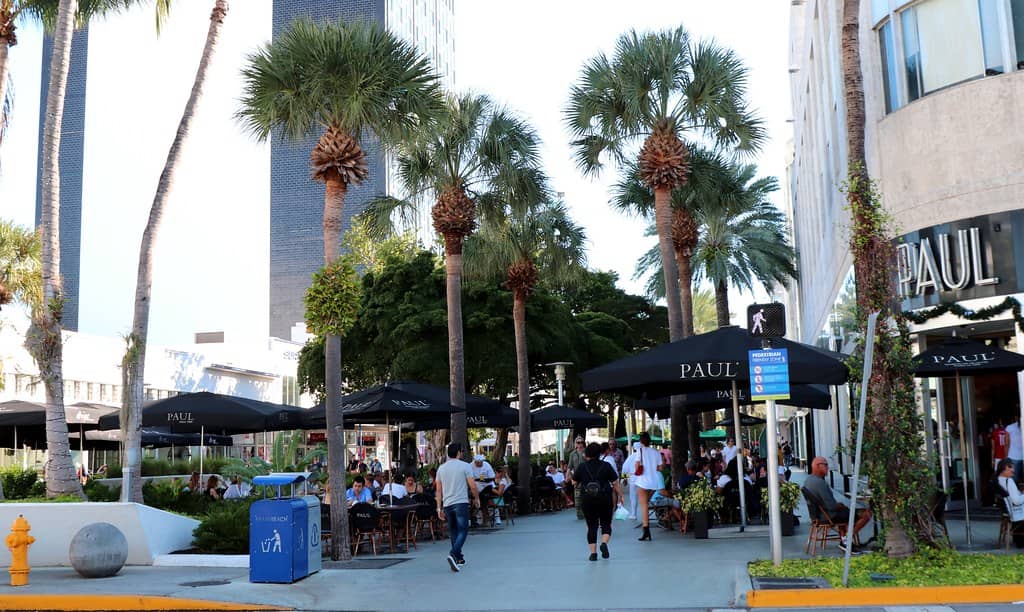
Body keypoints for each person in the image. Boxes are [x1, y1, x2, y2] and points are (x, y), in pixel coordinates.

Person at [805, 457, 872, 552]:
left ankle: (844, 540)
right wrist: (841, 505)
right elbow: (832, 506)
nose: (828, 468)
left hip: (818, 515)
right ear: (818, 466)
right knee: (866, 514)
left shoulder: (809, 481)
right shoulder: (820, 483)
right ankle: (847, 540)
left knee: (845, 513)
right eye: (826, 465)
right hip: (828, 516)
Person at [572, 442, 622, 561]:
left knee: (591, 526)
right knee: (606, 523)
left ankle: (593, 554)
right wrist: (621, 496)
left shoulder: (582, 467)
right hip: (605, 498)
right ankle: (604, 543)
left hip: (588, 499)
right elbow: (615, 482)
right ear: (600, 453)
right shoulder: (606, 466)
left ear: (587, 453)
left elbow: (574, 482)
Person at [435, 443, 479, 572]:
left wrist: (439, 508)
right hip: (461, 502)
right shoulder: (465, 466)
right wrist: (476, 498)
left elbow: (438, 490)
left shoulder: (441, 468)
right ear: (459, 453)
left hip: (447, 503)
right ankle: (453, 553)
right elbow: (473, 485)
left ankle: (459, 558)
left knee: (454, 530)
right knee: (463, 530)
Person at [626, 432, 662, 541]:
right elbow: (660, 468)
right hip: (654, 483)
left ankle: (646, 530)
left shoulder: (640, 451)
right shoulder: (656, 452)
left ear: (641, 441)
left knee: (644, 506)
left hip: (643, 482)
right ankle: (646, 530)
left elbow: (637, 466)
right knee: (647, 504)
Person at [995, 458, 1024, 546]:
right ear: (1005, 468)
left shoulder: (997, 480)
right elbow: (1016, 501)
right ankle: (1019, 539)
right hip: (1015, 510)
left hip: (1006, 510)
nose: (1013, 470)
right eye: (1011, 468)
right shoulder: (1009, 481)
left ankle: (1018, 539)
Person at [471, 454, 496, 526]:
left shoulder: (487, 465)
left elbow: (492, 477)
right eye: (478, 463)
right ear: (475, 462)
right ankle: (477, 517)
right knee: (479, 500)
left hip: (487, 485)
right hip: (476, 486)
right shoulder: (470, 466)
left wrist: (483, 480)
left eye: (481, 463)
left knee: (483, 500)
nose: (480, 464)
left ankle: (484, 518)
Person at [568, 437, 586, 519]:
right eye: (578, 442)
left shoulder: (587, 452)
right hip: (576, 477)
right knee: (577, 496)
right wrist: (567, 476)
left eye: (581, 442)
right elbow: (569, 467)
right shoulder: (572, 454)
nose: (580, 444)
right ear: (575, 443)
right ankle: (579, 514)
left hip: (586, 476)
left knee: (586, 495)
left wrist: (585, 456)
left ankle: (587, 513)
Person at [1007, 414, 1023, 481]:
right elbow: (1006, 443)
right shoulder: (1010, 427)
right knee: (1013, 479)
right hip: (1013, 457)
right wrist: (1006, 457)